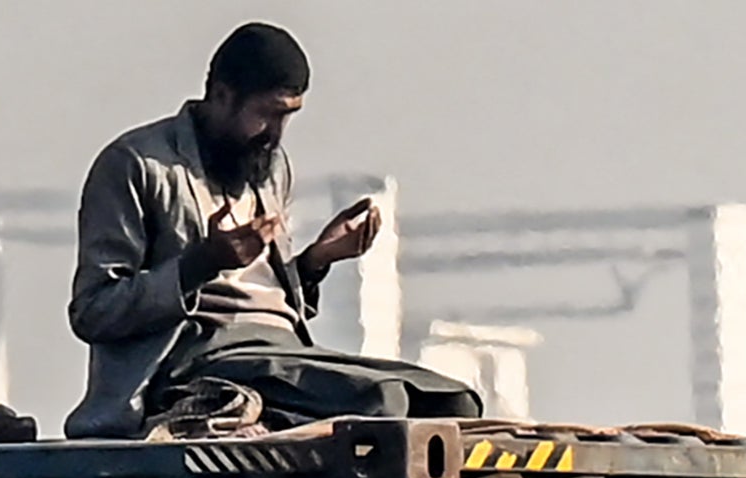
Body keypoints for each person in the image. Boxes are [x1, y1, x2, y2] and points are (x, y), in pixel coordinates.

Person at [65, 23, 481, 438]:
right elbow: (94, 311)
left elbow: (262, 292)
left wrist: (319, 259)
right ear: (223, 96)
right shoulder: (138, 166)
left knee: (451, 402)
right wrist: (201, 263)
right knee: (383, 403)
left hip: (280, 352)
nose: (276, 133)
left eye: (288, 116)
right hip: (197, 359)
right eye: (267, 114)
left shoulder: (270, 169)